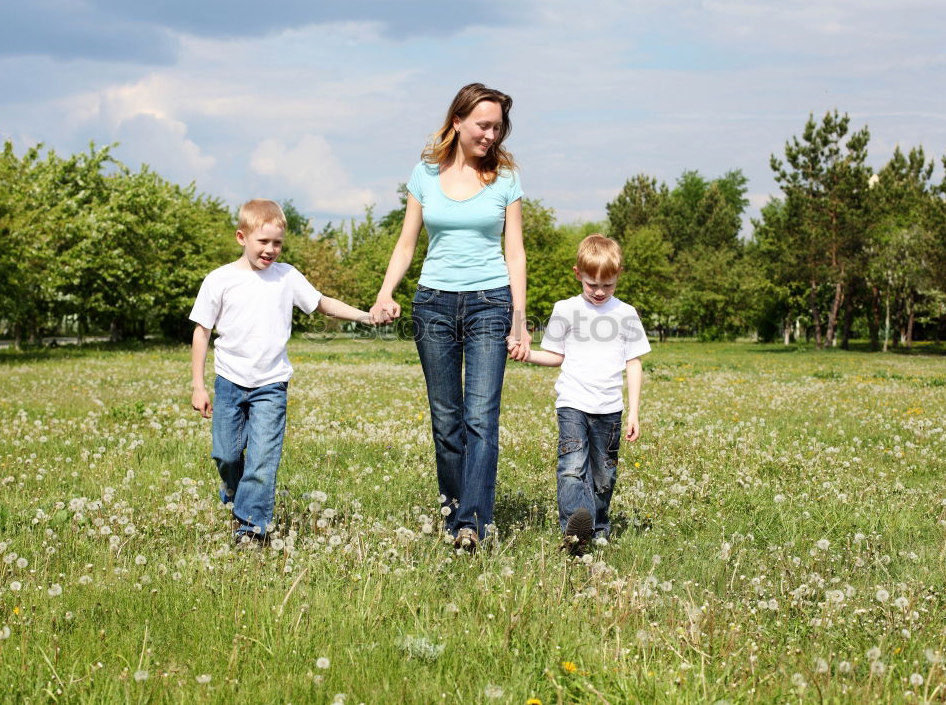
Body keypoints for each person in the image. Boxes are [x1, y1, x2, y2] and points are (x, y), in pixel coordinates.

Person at [369, 83, 530, 551]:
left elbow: (514, 251)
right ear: (457, 121)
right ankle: (455, 511)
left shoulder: (505, 179)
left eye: (498, 127)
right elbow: (406, 242)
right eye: (483, 124)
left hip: (489, 302)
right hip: (433, 304)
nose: (491, 134)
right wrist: (386, 292)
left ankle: (471, 525)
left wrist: (518, 316)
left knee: (481, 415)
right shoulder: (424, 174)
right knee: (446, 419)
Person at [190, 199, 372, 546]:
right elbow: (201, 332)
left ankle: (251, 529)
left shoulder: (287, 276)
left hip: (271, 385)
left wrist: (364, 316)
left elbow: (322, 303)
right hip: (229, 382)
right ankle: (235, 493)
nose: (271, 250)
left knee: (261, 460)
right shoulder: (220, 280)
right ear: (241, 237)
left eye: (277, 243)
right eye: (263, 242)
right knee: (226, 455)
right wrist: (199, 387)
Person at [508, 234, 650, 556]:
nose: (599, 292)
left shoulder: (626, 314)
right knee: (571, 467)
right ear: (577, 274)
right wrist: (526, 354)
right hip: (572, 403)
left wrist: (634, 412)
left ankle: (598, 527)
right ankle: (575, 532)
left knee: (604, 476)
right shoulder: (566, 309)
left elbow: (634, 363)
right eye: (591, 285)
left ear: (618, 277)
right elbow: (555, 356)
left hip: (610, 410)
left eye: (608, 285)